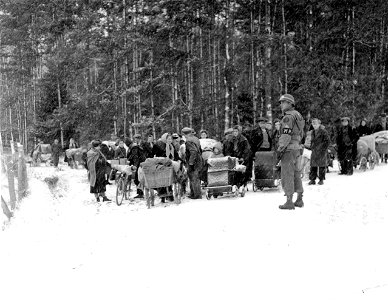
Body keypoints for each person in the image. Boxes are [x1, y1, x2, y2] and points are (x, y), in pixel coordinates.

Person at [276, 94, 305, 210]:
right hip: (297, 148)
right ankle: (299, 198)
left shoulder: (287, 117)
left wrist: (280, 148)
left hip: (288, 149)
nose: (281, 105)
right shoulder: (298, 115)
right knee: (297, 173)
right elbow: (301, 133)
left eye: (283, 102)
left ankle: (289, 201)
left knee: (287, 174)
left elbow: (285, 135)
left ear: (289, 103)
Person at [307, 118, 330, 185]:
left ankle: (321, 179)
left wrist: (323, 149)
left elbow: (327, 141)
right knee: (313, 166)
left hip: (321, 151)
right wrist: (311, 147)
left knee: (322, 166)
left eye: (316, 124)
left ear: (319, 124)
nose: (314, 125)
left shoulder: (323, 131)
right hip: (314, 151)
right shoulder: (312, 132)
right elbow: (312, 141)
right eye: (313, 124)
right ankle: (312, 179)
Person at [182, 127, 203, 199]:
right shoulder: (196, 138)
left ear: (185, 134)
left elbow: (193, 151)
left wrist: (191, 163)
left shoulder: (188, 141)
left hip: (194, 162)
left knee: (194, 178)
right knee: (195, 178)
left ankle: (196, 195)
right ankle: (193, 193)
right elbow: (200, 150)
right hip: (199, 160)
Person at [231, 125, 252, 192]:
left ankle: (243, 184)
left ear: (239, 132)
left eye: (236, 131)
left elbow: (247, 150)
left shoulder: (244, 140)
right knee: (233, 171)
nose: (235, 133)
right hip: (234, 158)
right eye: (234, 131)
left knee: (242, 171)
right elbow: (229, 149)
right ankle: (235, 184)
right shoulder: (231, 139)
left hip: (242, 158)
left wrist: (243, 157)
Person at [127, 134, 146, 198]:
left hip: (139, 164)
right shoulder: (135, 146)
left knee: (137, 179)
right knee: (138, 179)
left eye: (137, 138)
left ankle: (140, 193)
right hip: (140, 163)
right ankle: (140, 192)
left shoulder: (134, 146)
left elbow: (135, 157)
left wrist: (134, 165)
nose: (136, 139)